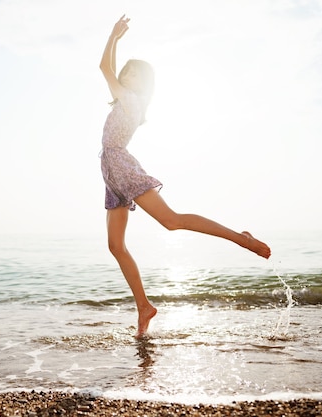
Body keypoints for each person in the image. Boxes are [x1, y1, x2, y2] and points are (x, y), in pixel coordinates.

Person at [99, 15, 271, 339]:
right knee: (115, 245)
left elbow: (104, 69)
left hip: (121, 166)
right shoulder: (125, 98)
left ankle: (241, 238)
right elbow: (109, 70)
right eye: (128, 71)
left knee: (172, 221)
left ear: (143, 83)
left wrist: (114, 37)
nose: (128, 75)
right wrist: (116, 45)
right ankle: (144, 307)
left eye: (136, 73)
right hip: (111, 173)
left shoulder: (131, 99)